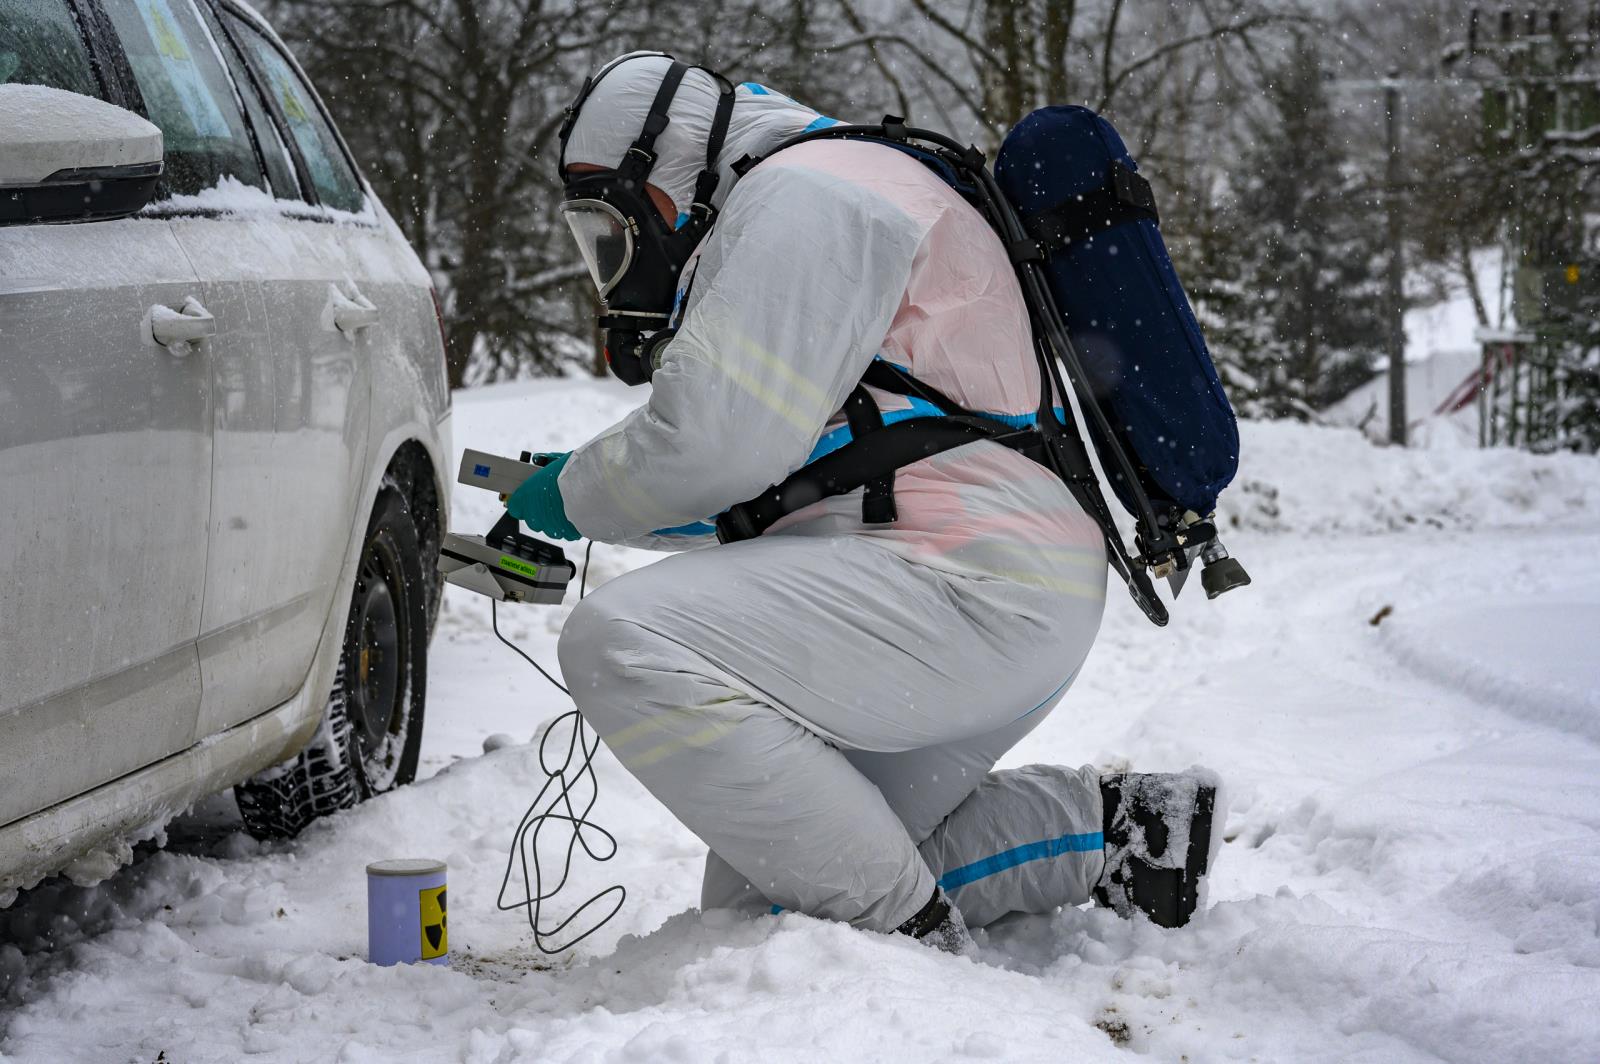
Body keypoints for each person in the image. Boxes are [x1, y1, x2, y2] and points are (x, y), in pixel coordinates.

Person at [509, 52, 1219, 950]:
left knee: (622, 641)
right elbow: (786, 478)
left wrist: (580, 492)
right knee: (776, 902)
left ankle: (904, 951)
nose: (616, 255)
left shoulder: (808, 193)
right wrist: (598, 494)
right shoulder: (828, 192)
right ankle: (1120, 829)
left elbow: (712, 442)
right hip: (970, 584)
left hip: (963, 587)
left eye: (614, 220)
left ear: (670, 169)